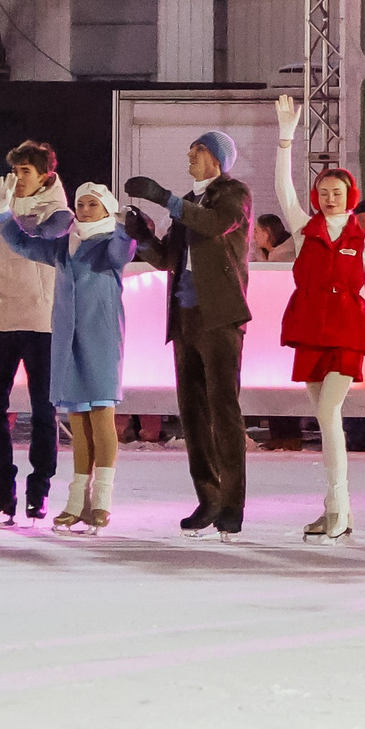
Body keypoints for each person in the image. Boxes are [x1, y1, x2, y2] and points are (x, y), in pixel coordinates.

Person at [269, 93, 365, 541]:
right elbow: (282, 190)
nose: (328, 199)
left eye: (336, 193)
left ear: (350, 196)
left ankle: (340, 508)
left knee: (328, 413)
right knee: (324, 418)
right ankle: (334, 508)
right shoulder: (305, 232)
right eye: (323, 193)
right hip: (309, 327)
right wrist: (286, 137)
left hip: (347, 329)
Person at [124, 132, 254, 539]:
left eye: (196, 151)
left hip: (219, 318)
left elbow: (215, 225)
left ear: (216, 158)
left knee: (224, 411)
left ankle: (232, 503)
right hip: (186, 317)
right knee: (193, 413)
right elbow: (168, 258)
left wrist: (164, 199)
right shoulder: (187, 202)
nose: (189, 157)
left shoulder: (234, 193)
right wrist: (142, 237)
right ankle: (209, 497)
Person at [0, 183, 136, 532]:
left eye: (94, 204)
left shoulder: (110, 244)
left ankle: (102, 499)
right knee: (78, 422)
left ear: (107, 209)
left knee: (102, 417)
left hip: (102, 339)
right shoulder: (64, 245)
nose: (86, 209)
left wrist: (124, 223)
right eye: (81, 204)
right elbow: (23, 244)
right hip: (67, 342)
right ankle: (78, 500)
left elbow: (124, 252)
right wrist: (3, 215)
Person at [0, 142, 66, 525]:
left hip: (41, 322)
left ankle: (40, 492)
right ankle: (1, 491)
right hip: (0, 318)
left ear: (44, 176)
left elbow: (35, 246)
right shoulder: (1, 205)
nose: (18, 179)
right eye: (15, 171)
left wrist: (2, 215)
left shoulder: (59, 211)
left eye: (26, 172)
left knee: (42, 412)